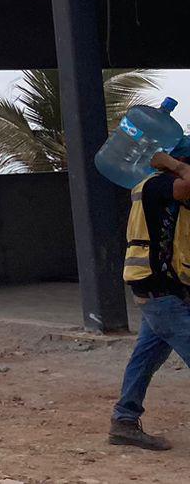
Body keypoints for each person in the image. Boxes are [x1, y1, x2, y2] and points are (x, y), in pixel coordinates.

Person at [108, 150, 190, 451]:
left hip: (165, 289)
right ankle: (124, 420)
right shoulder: (155, 186)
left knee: (146, 358)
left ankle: (124, 421)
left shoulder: (166, 194)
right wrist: (173, 164)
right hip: (158, 290)